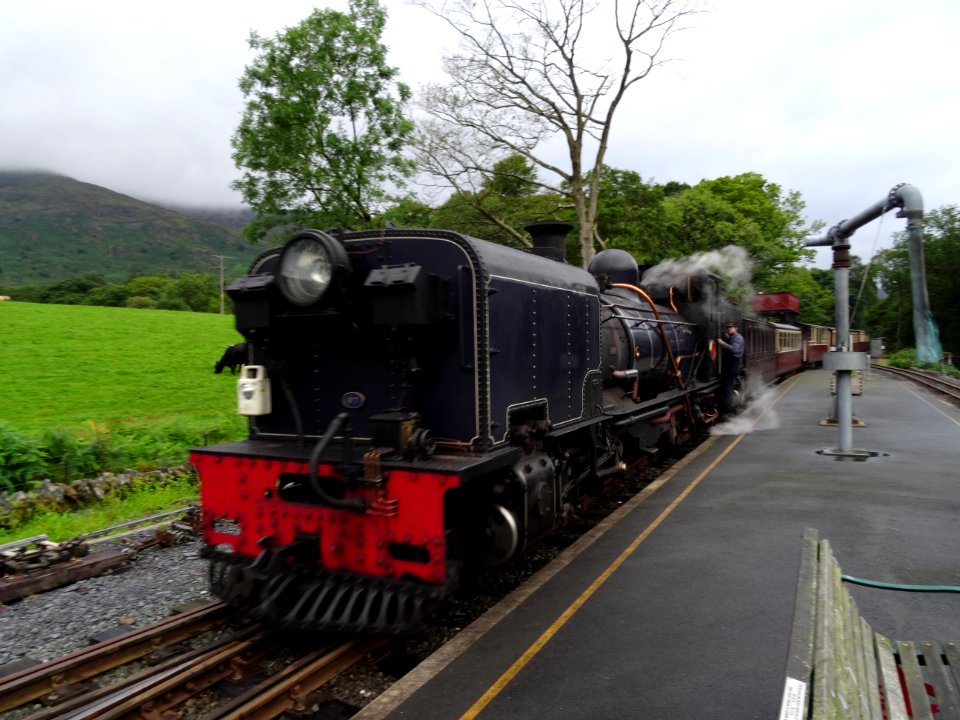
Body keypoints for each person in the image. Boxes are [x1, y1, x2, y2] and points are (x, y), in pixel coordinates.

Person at [717, 321, 744, 418]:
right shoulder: (731, 337)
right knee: (726, 388)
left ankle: (728, 412)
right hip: (729, 366)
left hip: (733, 365)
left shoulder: (738, 338)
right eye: (728, 327)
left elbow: (735, 349)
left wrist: (723, 343)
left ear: (736, 328)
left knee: (727, 388)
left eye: (731, 327)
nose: (729, 329)